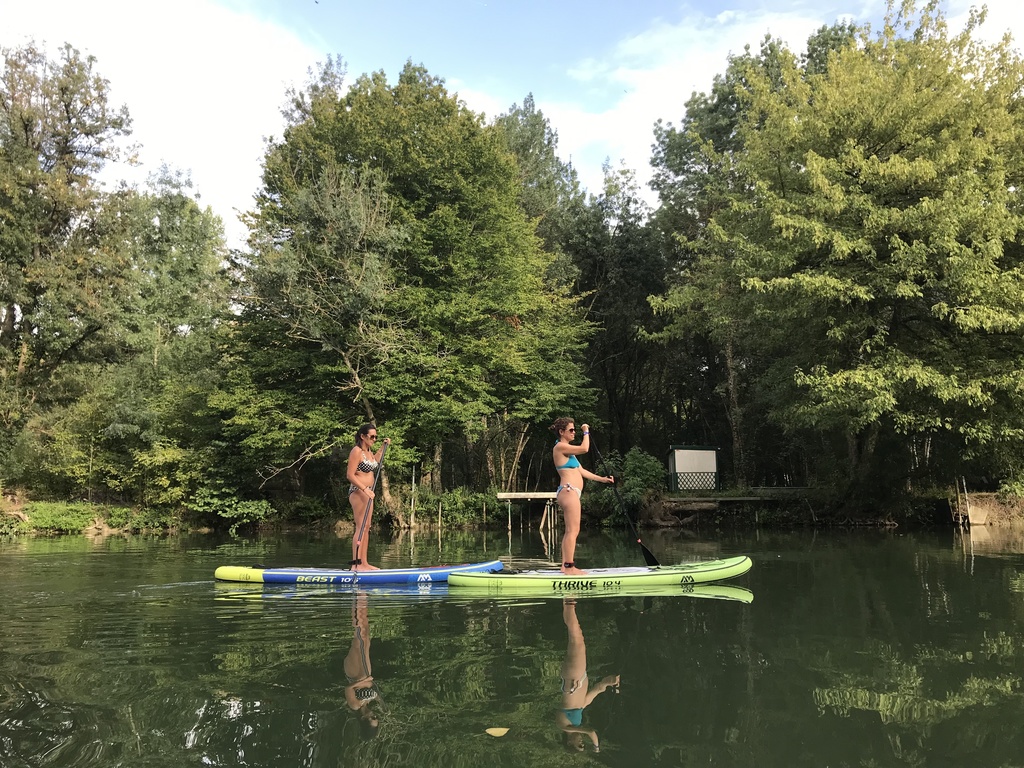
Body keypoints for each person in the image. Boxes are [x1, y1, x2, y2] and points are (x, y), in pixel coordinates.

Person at [550, 418, 614, 575]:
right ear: (561, 432)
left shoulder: (569, 451)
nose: (574, 433)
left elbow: (582, 471)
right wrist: (586, 430)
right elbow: (585, 448)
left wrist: (603, 480)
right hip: (568, 491)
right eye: (571, 430)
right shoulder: (560, 447)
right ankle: (570, 568)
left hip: (571, 492)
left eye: (575, 430)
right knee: (573, 531)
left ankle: (565, 567)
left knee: (570, 531)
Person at [556, 598, 619, 753]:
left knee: (576, 636)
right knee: (577, 637)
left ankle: (569, 598)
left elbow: (591, 732)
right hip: (580, 676)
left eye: (580, 745)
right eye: (584, 745)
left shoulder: (563, 726)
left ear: (570, 743)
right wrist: (610, 682)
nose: (582, 742)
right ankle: (568, 601)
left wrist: (597, 748)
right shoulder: (578, 713)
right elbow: (597, 690)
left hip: (572, 676)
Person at [346, 423, 390, 571]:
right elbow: (350, 475)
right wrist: (364, 489)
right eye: (372, 436)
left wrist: (383, 447)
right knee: (360, 527)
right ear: (362, 436)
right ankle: (356, 565)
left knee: (367, 527)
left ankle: (364, 563)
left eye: (376, 437)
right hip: (359, 491)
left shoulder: (368, 452)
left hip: (368, 492)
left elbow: (375, 461)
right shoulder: (356, 451)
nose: (374, 439)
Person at [343, 593, 380, 740]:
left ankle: (356, 598)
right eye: (376, 716)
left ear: (364, 720)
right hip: (365, 670)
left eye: (372, 718)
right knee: (366, 635)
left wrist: (365, 680)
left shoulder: (356, 705)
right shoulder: (369, 700)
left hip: (354, 671)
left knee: (359, 636)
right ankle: (362, 599)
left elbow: (348, 688)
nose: (373, 714)